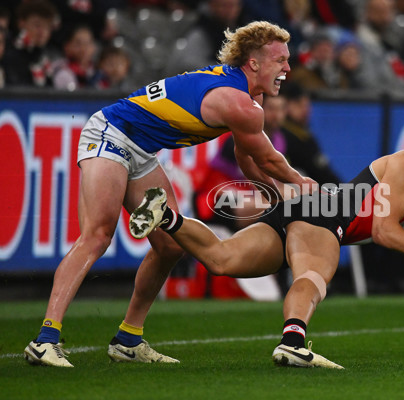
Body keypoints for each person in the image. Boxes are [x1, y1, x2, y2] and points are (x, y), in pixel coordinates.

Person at [24, 21, 315, 368]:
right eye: (280, 59)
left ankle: (129, 339)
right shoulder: (238, 102)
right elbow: (267, 158)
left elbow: (245, 157)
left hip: (141, 150)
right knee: (98, 235)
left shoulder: (250, 96)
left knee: (171, 244)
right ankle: (45, 339)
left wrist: (273, 194)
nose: (288, 68)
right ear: (253, 63)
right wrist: (302, 184)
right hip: (111, 134)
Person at [128, 111, 404, 369]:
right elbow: (383, 231)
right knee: (314, 278)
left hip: (306, 210)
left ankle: (166, 216)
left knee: (222, 259)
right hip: (324, 214)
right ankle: (292, 344)